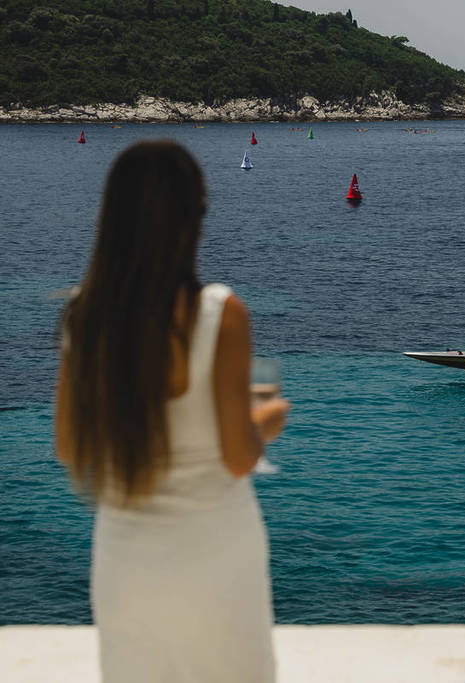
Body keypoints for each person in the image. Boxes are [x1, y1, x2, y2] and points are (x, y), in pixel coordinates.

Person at [55, 140, 290, 682]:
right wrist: (266, 421)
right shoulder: (220, 314)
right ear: (194, 218)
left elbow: (71, 447)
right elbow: (235, 458)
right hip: (216, 549)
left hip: (126, 553)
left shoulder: (82, 316)